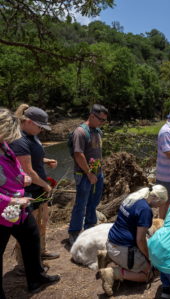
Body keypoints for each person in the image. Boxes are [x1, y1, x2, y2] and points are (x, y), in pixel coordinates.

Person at [0, 108, 60, 297]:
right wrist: (13, 200)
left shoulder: (4, 145)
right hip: (6, 206)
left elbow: (17, 165)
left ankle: (36, 278)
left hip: (16, 205)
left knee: (31, 236)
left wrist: (22, 177)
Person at [10, 105, 59, 266]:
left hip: (38, 187)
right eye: (39, 126)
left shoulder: (32, 136)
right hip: (27, 191)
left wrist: (46, 160)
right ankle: (23, 263)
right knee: (28, 228)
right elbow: (27, 170)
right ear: (29, 122)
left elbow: (32, 158)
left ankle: (41, 251)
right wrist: (46, 185)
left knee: (42, 221)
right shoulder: (19, 140)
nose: (41, 130)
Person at [97, 184, 168, 296]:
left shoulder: (133, 197)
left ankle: (107, 255)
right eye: (159, 204)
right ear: (156, 198)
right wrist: (149, 257)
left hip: (111, 241)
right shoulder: (145, 210)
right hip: (123, 248)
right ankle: (113, 273)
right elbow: (140, 240)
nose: (157, 207)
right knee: (148, 274)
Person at [68, 104, 108, 245]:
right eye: (100, 119)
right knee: (81, 204)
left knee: (94, 202)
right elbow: (78, 155)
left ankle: (89, 229)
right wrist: (89, 173)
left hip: (97, 173)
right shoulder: (80, 132)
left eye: (104, 120)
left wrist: (97, 172)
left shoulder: (97, 131)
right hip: (84, 174)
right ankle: (74, 232)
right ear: (91, 116)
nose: (102, 123)